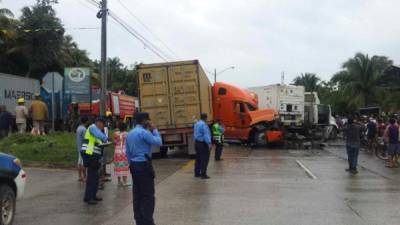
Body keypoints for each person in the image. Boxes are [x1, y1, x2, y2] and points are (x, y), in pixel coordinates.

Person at [126, 112, 162, 225]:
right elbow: (159, 142)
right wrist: (154, 129)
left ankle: (139, 221)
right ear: (145, 121)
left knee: (137, 195)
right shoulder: (144, 133)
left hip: (134, 165)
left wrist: (131, 164)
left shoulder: (130, 133)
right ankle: (148, 222)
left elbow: (127, 152)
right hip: (144, 165)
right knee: (148, 195)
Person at [81, 117, 109, 205]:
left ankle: (92, 195)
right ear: (98, 123)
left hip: (94, 155)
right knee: (92, 177)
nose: (102, 126)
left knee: (95, 177)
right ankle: (89, 197)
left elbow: (98, 142)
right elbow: (100, 136)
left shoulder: (96, 130)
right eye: (102, 124)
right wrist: (107, 138)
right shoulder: (92, 127)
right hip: (90, 155)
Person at [194, 113, 212, 179]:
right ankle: (203, 174)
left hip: (197, 143)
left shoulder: (196, 124)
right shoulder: (204, 125)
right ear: (205, 118)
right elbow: (206, 135)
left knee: (198, 159)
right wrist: (209, 144)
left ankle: (197, 173)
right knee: (204, 159)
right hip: (202, 144)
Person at [76, 116, 89, 182]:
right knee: (83, 163)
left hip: (79, 147)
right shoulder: (84, 129)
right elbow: (86, 139)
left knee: (79, 162)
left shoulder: (78, 128)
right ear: (86, 121)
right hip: (83, 148)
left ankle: (79, 176)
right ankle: (84, 176)